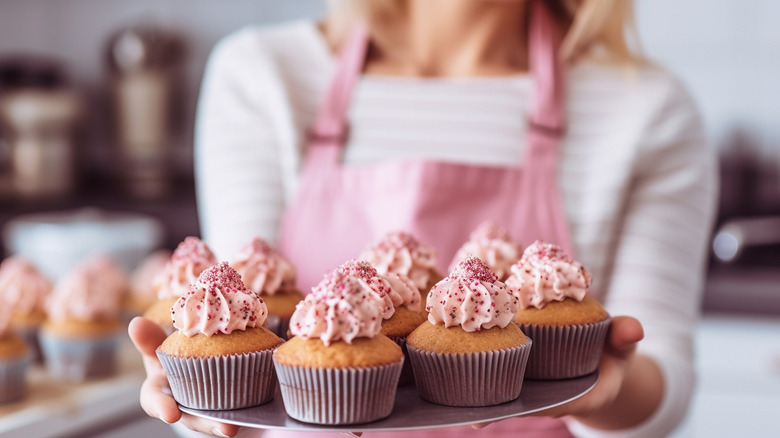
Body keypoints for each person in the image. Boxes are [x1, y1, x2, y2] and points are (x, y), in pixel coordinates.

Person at [129, 0, 718, 437]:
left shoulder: (645, 107)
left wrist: (601, 389)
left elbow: (663, 385)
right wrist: (201, 403)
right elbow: (239, 343)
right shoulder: (261, 75)